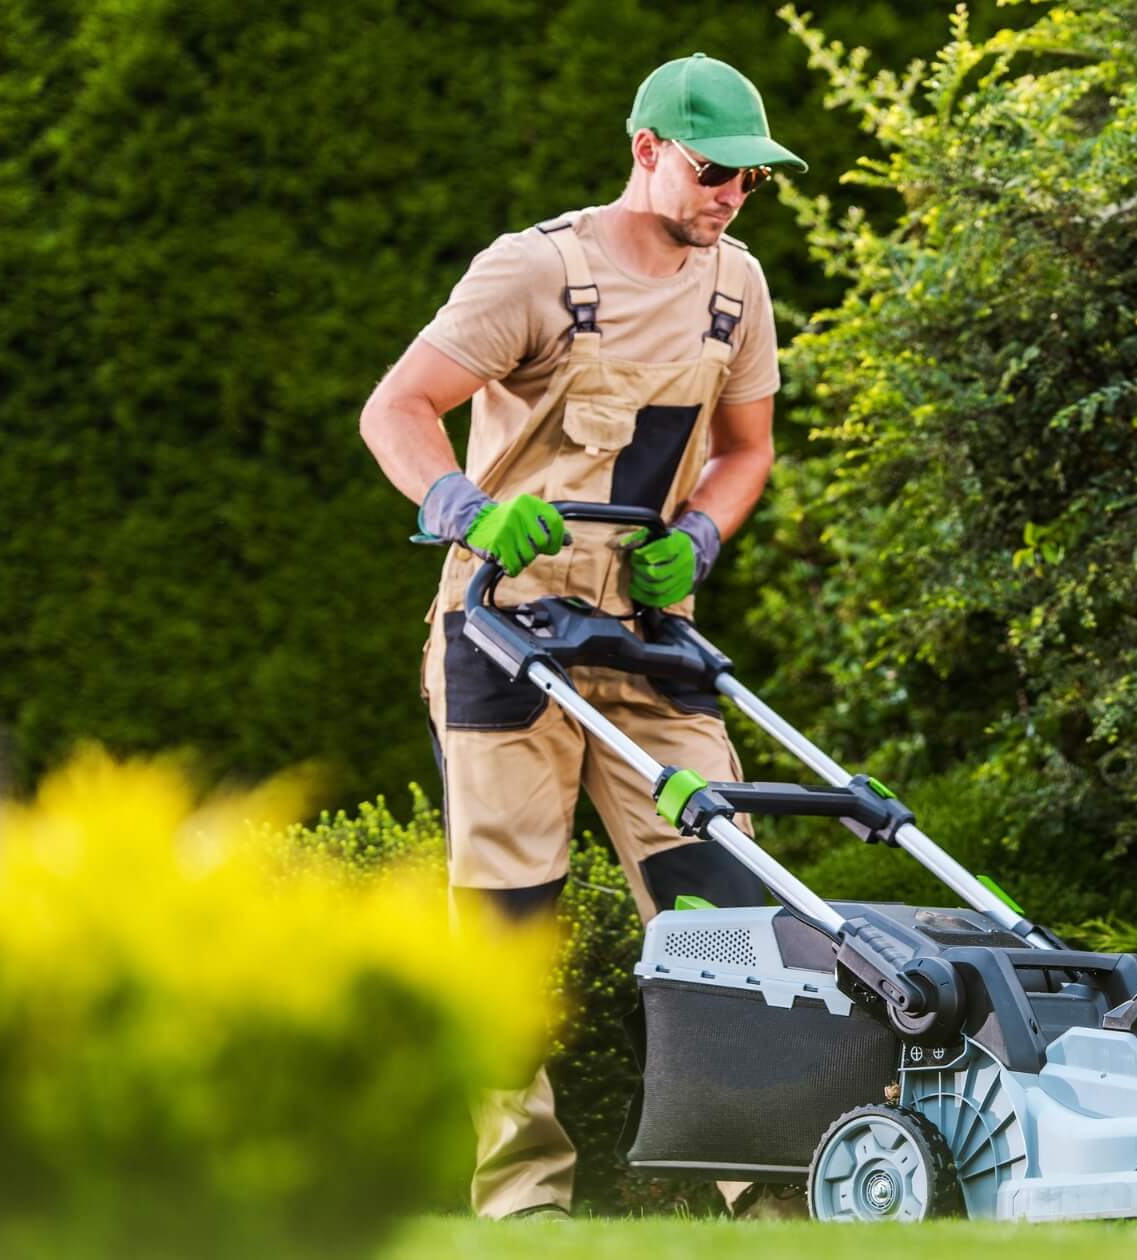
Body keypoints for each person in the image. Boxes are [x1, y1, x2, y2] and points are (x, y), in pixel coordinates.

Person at [357, 52, 799, 1220]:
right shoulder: (535, 272)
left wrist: (698, 539)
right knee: (509, 921)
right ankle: (524, 1202)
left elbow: (746, 450)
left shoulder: (736, 287)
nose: (730, 199)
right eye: (715, 173)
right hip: (505, 627)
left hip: (647, 634)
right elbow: (395, 408)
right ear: (647, 147)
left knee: (722, 903)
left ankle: (757, 1187)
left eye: (751, 182)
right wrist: (465, 511)